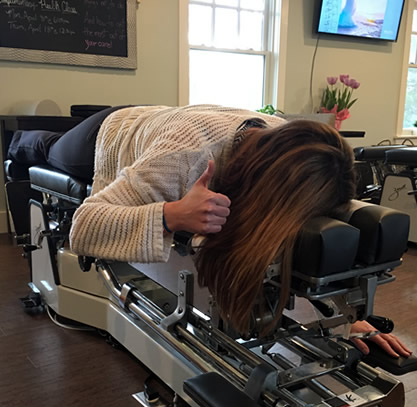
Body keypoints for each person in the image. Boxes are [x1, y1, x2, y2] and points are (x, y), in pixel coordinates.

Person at [69, 104, 411, 358]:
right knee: (37, 145)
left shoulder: (295, 150)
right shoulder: (183, 159)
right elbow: (83, 227)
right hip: (111, 131)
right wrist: (172, 214)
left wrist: (346, 319)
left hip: (172, 122)